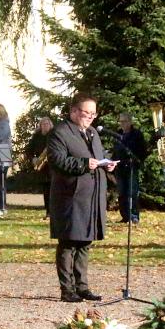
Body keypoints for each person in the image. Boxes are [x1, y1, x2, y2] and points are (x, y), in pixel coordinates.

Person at [47, 93, 117, 302]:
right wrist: (83, 164)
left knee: (85, 242)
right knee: (69, 243)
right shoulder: (59, 132)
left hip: (91, 197)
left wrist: (108, 163)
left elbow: (98, 154)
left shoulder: (93, 132)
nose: (90, 117)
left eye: (93, 114)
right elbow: (57, 160)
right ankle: (67, 290)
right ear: (74, 111)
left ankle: (82, 286)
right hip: (70, 196)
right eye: (86, 113)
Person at [111, 112, 147, 223]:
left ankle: (134, 216)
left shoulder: (137, 134)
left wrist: (137, 160)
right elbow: (115, 150)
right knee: (121, 192)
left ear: (130, 122)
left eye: (124, 121)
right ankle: (125, 216)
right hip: (120, 166)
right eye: (120, 121)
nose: (122, 124)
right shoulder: (118, 134)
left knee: (132, 192)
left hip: (132, 166)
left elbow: (143, 151)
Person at [24, 117, 54, 219]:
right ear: (40, 126)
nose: (45, 126)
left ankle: (53, 212)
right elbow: (28, 150)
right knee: (46, 190)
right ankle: (48, 212)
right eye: (43, 124)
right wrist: (33, 159)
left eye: (47, 124)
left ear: (51, 125)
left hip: (52, 166)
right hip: (42, 167)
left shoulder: (54, 136)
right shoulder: (36, 137)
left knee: (53, 190)